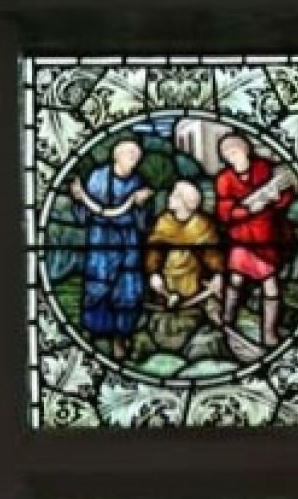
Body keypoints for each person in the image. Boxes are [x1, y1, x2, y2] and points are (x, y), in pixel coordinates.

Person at [69, 137, 154, 359]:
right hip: (101, 240)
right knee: (97, 287)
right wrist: (79, 199)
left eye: (136, 156)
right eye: (129, 154)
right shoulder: (97, 177)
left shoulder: (139, 182)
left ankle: (121, 338)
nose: (134, 160)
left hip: (128, 241)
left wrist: (142, 207)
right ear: (116, 156)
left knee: (128, 290)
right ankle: (93, 335)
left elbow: (144, 223)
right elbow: (84, 215)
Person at [214, 133, 295, 349]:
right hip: (241, 235)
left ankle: (269, 332)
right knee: (237, 279)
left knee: (270, 283)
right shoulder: (224, 179)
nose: (231, 156)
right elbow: (224, 212)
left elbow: (286, 195)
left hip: (266, 235)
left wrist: (278, 200)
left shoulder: (264, 169)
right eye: (226, 153)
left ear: (245, 149)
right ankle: (227, 316)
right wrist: (247, 209)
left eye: (234, 150)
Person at [144, 179, 223, 317]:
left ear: (184, 202)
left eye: (174, 195)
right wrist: (154, 274)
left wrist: (218, 275)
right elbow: (154, 251)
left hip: (194, 283)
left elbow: (211, 255)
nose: (169, 197)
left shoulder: (201, 225)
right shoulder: (164, 222)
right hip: (166, 284)